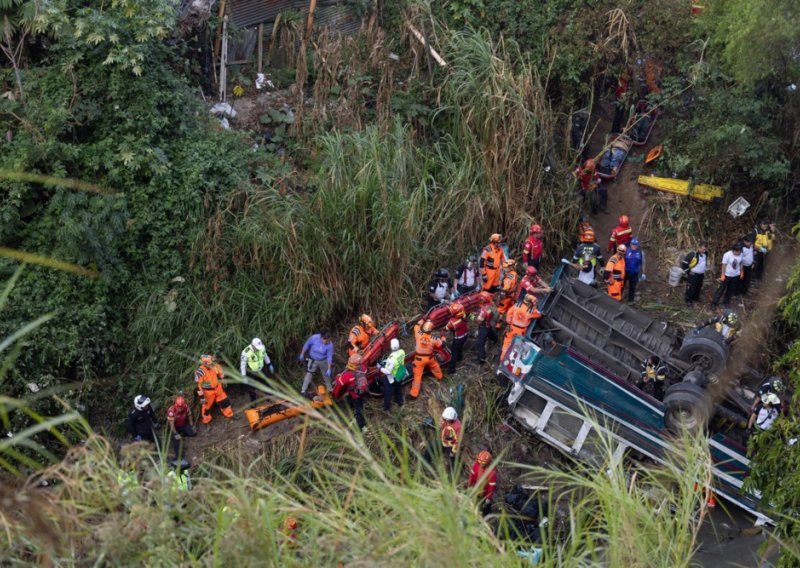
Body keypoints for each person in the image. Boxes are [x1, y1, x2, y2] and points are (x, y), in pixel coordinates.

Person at [410, 320, 445, 399]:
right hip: (430, 358)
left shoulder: (419, 334)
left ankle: (414, 394)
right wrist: (442, 337)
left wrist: (422, 320)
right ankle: (440, 377)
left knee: (417, 376)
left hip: (419, 360)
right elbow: (442, 345)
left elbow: (416, 326)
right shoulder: (434, 338)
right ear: (431, 330)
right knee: (435, 367)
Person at [194, 354, 234, 424]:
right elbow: (199, 386)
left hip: (218, 388)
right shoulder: (200, 372)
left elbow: (221, 374)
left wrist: (223, 381)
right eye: (209, 364)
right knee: (206, 407)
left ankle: (229, 414)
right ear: (204, 363)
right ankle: (207, 420)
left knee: (224, 401)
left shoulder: (215, 366)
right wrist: (202, 397)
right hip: (208, 392)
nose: (211, 365)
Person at [338, 354, 369, 433]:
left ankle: (362, 427)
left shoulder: (349, 375)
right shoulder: (363, 368)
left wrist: (338, 377)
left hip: (355, 395)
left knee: (359, 411)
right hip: (360, 393)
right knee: (355, 404)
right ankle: (356, 416)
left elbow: (340, 382)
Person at [298, 330, 334, 396]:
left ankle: (330, 390)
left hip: (323, 360)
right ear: (321, 337)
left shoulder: (330, 345)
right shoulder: (314, 338)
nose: (326, 342)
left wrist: (329, 368)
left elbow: (329, 357)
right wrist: (302, 354)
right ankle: (303, 390)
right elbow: (307, 345)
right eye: (324, 339)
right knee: (309, 373)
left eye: (328, 340)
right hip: (313, 359)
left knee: (326, 376)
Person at [240, 337, 275, 402]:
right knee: (252, 388)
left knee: (266, 383)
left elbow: (265, 356)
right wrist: (243, 376)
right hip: (252, 371)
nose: (258, 349)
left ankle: (268, 398)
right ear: (252, 345)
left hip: (262, 369)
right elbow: (243, 365)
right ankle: (253, 402)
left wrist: (269, 364)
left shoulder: (262, 347)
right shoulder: (246, 352)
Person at [711, 243, 743, 309]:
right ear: (734, 250)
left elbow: (741, 263)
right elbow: (724, 265)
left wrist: (742, 272)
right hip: (727, 275)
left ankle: (726, 302)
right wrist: (722, 275)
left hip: (735, 275)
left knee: (730, 290)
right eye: (738, 252)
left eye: (740, 251)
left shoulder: (741, 254)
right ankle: (714, 303)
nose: (739, 253)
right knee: (721, 289)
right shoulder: (727, 255)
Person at [378, 338, 406, 411]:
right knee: (398, 388)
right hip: (400, 374)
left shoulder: (391, 359)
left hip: (392, 377)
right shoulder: (402, 352)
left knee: (388, 392)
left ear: (391, 346)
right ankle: (400, 401)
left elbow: (388, 371)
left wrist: (380, 368)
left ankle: (386, 407)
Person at [166, 395, 197, 459]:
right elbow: (171, 424)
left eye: (181, 407)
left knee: (193, 434)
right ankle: (178, 456)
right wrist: (175, 433)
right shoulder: (171, 412)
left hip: (183, 424)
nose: (179, 409)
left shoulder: (186, 406)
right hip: (175, 427)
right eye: (178, 407)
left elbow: (189, 415)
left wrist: (192, 425)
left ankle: (182, 435)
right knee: (176, 441)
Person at [468, 450, 497, 516]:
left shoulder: (491, 472)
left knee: (486, 507)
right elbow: (471, 476)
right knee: (474, 503)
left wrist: (488, 498)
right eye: (479, 461)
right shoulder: (476, 466)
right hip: (476, 489)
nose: (480, 463)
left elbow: (491, 487)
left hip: (485, 493)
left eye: (483, 462)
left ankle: (486, 516)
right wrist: (469, 486)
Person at [475, 291, 499, 364]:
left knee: (480, 343)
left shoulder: (484, 310)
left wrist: (473, 317)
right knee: (490, 333)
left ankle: (481, 358)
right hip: (489, 325)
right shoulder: (491, 304)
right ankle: (496, 339)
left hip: (483, 327)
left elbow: (479, 321)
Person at [681, 242, 708, 306]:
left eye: (705, 249)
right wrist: (687, 271)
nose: (704, 251)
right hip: (693, 274)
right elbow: (684, 263)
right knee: (691, 287)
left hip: (701, 274)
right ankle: (688, 300)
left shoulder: (705, 254)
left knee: (698, 286)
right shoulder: (693, 254)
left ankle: (695, 297)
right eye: (703, 249)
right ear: (699, 247)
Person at [445, 302, 469, 373]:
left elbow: (445, 329)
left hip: (458, 338)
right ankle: (460, 357)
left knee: (454, 352)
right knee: (460, 347)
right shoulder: (463, 315)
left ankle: (451, 368)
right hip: (465, 335)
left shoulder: (452, 322)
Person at [497, 259, 519, 328]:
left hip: (507, 296)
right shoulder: (514, 274)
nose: (504, 269)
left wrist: (500, 297)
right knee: (510, 308)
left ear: (510, 267)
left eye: (506, 268)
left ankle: (498, 324)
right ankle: (511, 322)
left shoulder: (508, 279)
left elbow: (505, 289)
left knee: (500, 310)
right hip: (512, 295)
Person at [440, 406, 462, 471]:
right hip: (444, 441)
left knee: (450, 460)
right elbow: (442, 429)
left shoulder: (458, 427)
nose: (445, 420)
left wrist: (453, 452)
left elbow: (457, 441)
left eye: (446, 419)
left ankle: (450, 475)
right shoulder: (446, 421)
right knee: (431, 446)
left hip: (450, 445)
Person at [624, 238, 645, 303]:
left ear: (637, 245)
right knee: (622, 284)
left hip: (635, 273)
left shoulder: (640, 252)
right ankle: (618, 296)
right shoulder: (626, 250)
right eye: (633, 244)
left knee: (632, 287)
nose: (634, 246)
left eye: (635, 245)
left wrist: (644, 273)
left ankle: (630, 300)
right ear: (630, 244)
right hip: (626, 271)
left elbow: (643, 262)